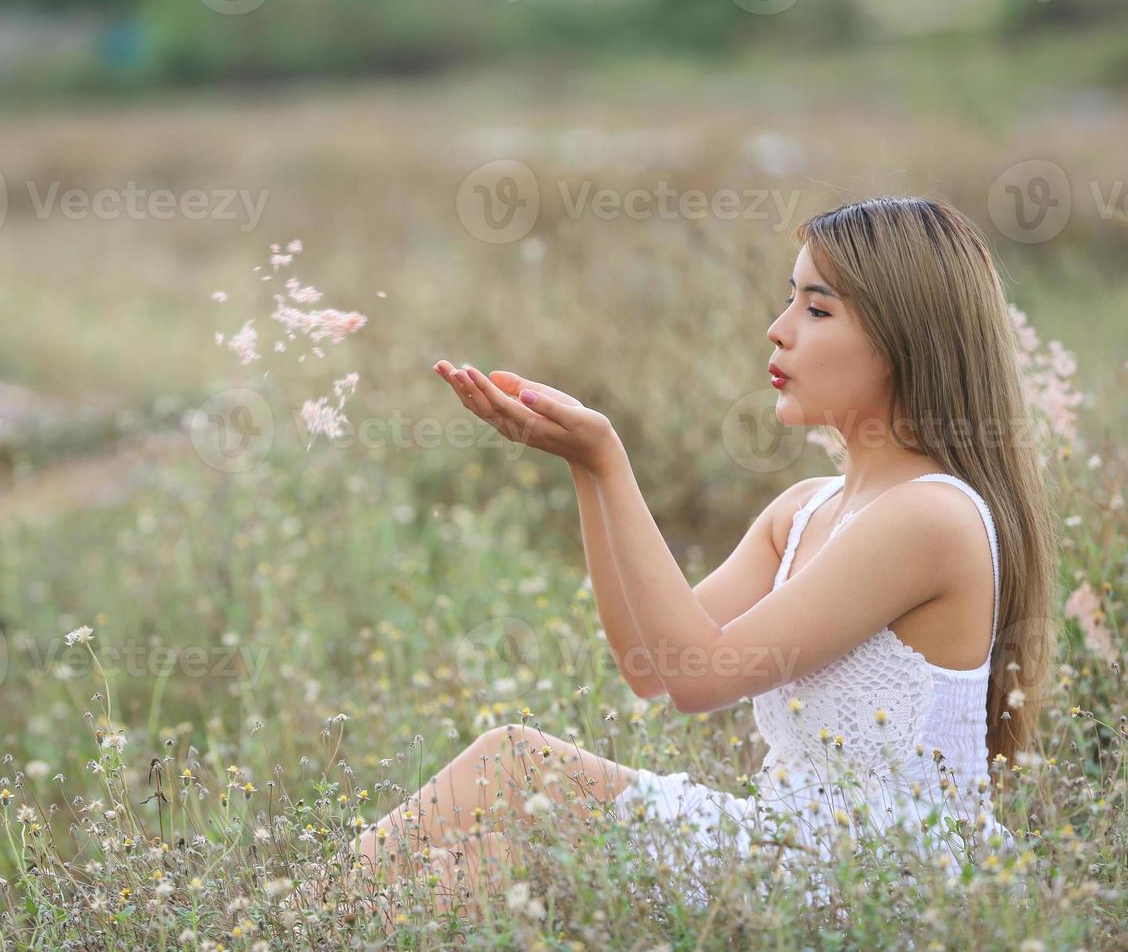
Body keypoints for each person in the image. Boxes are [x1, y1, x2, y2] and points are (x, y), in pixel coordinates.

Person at [351, 195, 1055, 918]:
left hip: (879, 884)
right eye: (790, 301)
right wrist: (586, 469)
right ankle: (300, 924)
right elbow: (650, 667)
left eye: (817, 310)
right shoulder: (806, 510)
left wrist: (609, 455)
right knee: (475, 864)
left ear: (906, 338)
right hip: (796, 853)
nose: (778, 331)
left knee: (512, 761)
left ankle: (276, 925)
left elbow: (700, 677)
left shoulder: (930, 515)